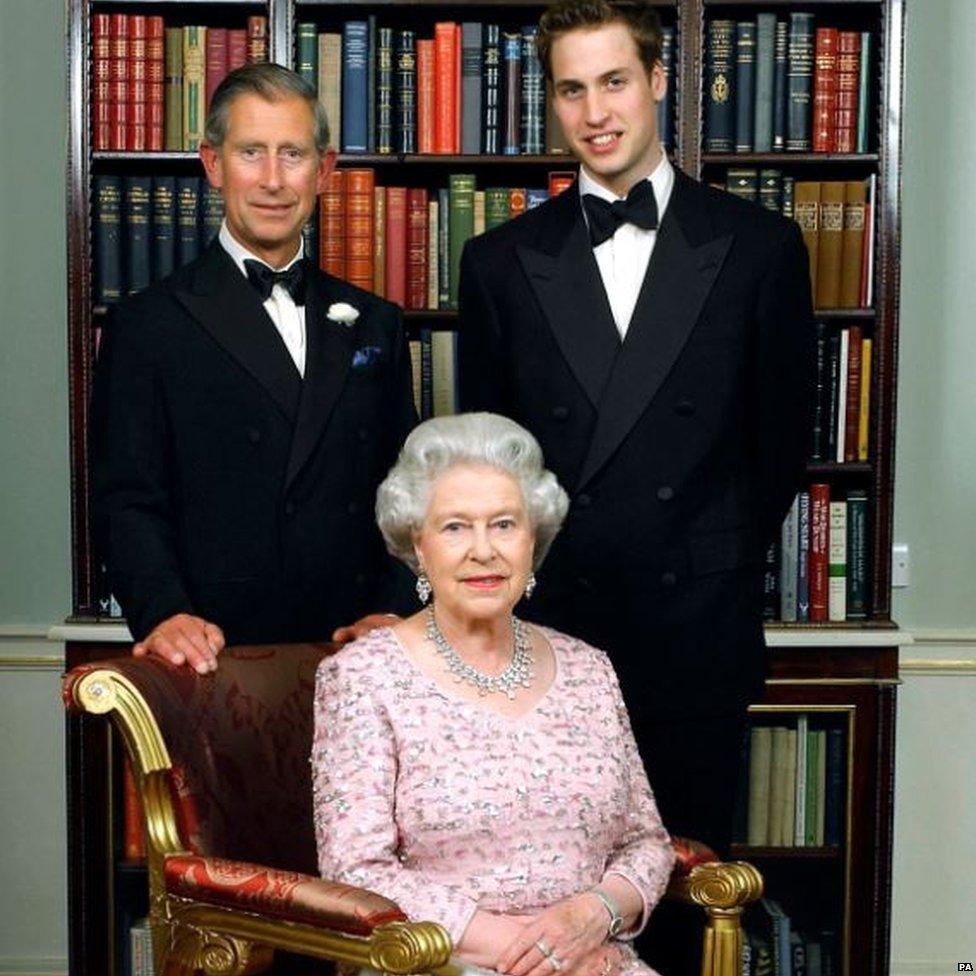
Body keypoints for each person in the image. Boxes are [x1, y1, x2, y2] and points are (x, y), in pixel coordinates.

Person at [457, 0, 815, 876]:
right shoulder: (499, 262)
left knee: (685, 891)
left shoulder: (760, 246)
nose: (596, 113)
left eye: (615, 82)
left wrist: (701, 557)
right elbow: (491, 466)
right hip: (551, 634)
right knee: (551, 893)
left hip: (696, 626)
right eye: (573, 90)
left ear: (657, 81)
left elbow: (781, 449)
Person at [312, 413, 675, 976]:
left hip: (594, 958)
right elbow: (355, 869)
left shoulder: (589, 669)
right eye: (455, 527)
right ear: (418, 543)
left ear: (534, 539)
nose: (484, 550)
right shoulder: (363, 677)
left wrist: (593, 913)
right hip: (435, 961)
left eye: (504, 524)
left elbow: (647, 844)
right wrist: (531, 952)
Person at [91, 63, 416, 674]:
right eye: (251, 153)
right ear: (212, 164)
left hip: (360, 653)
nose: (273, 180)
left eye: (292, 154)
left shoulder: (378, 323)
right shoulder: (147, 325)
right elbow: (126, 502)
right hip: (212, 657)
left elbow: (411, 492)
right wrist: (165, 614)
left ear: (325, 171)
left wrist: (394, 611)